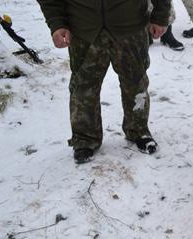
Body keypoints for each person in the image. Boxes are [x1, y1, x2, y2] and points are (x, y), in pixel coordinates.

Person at [37, 0, 171, 163]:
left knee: (136, 83)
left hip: (130, 27)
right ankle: (85, 139)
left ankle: (138, 130)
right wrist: (56, 23)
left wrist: (161, 15)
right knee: (83, 87)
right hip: (83, 29)